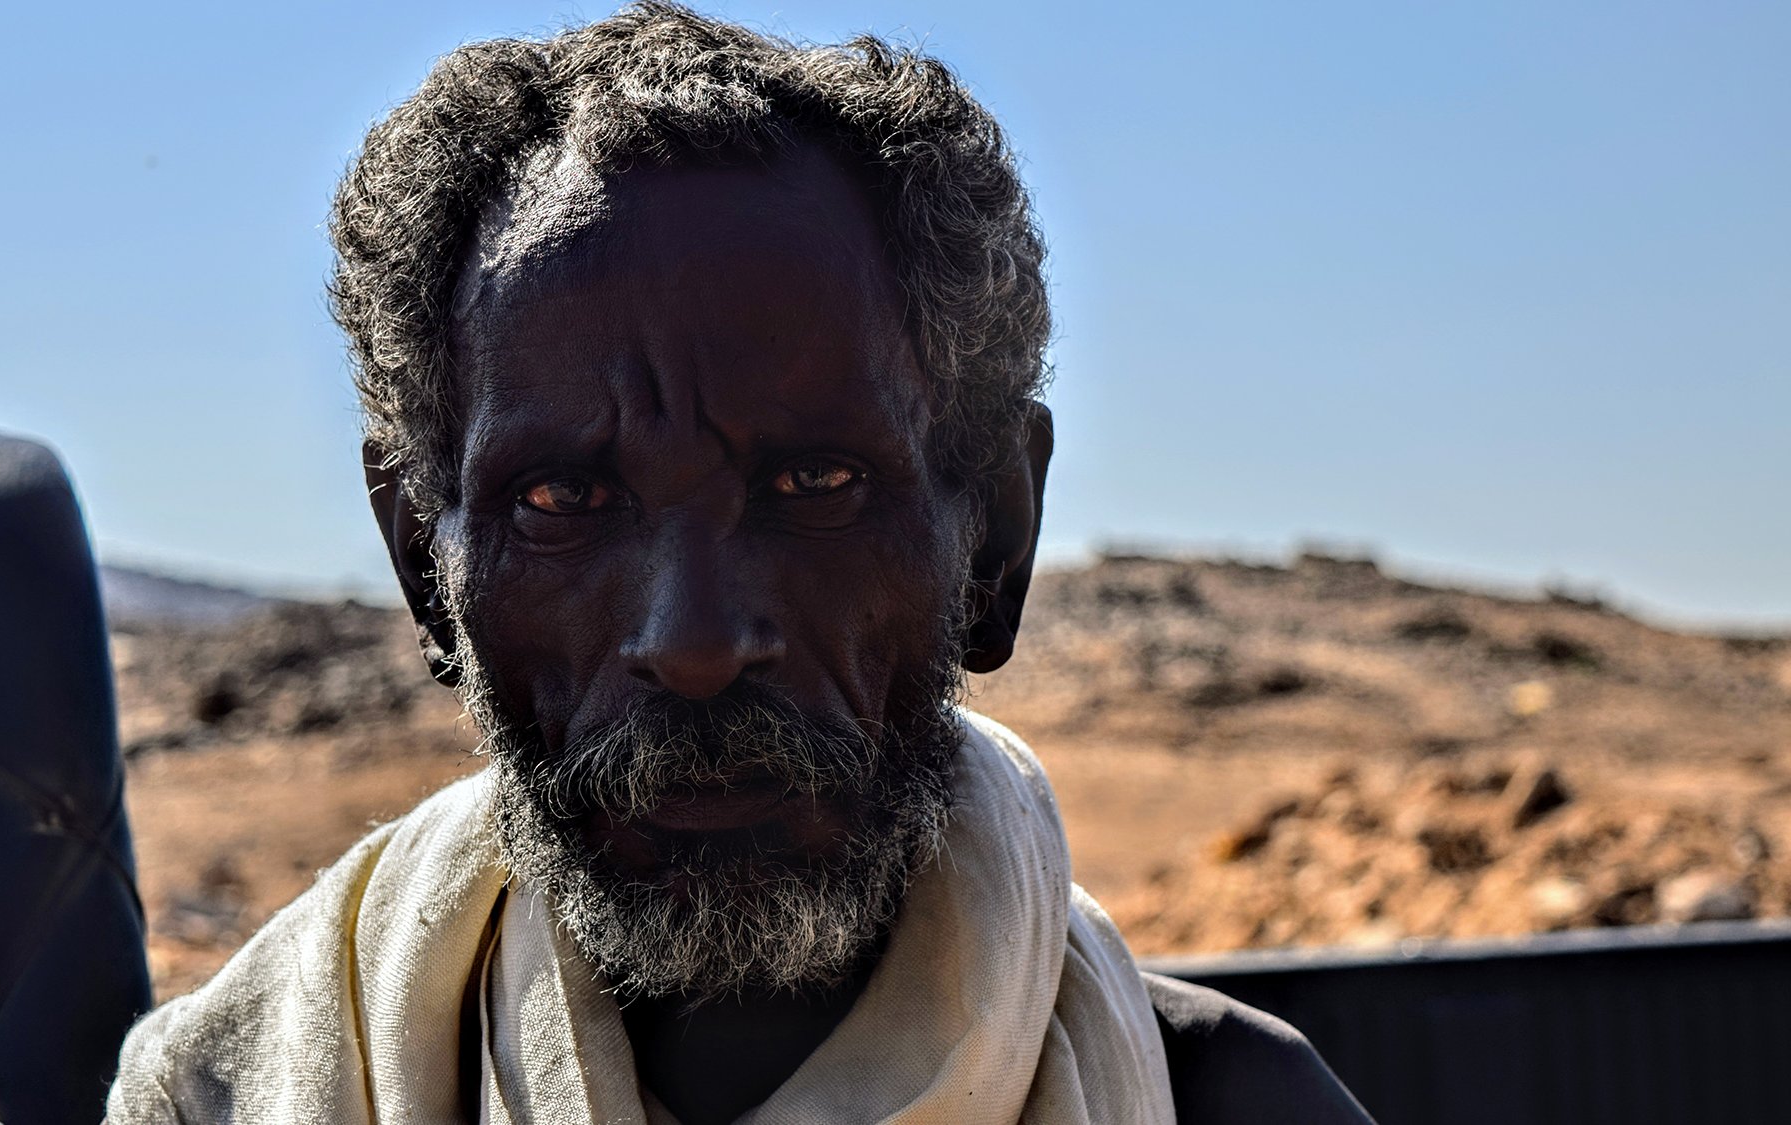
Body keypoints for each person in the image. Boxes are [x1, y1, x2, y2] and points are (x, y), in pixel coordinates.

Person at [106, 5, 1373, 1122]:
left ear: (991, 537)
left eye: (814, 486)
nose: (696, 642)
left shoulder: (1217, 1102)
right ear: (423, 569)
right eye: (563, 498)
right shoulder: (223, 1098)